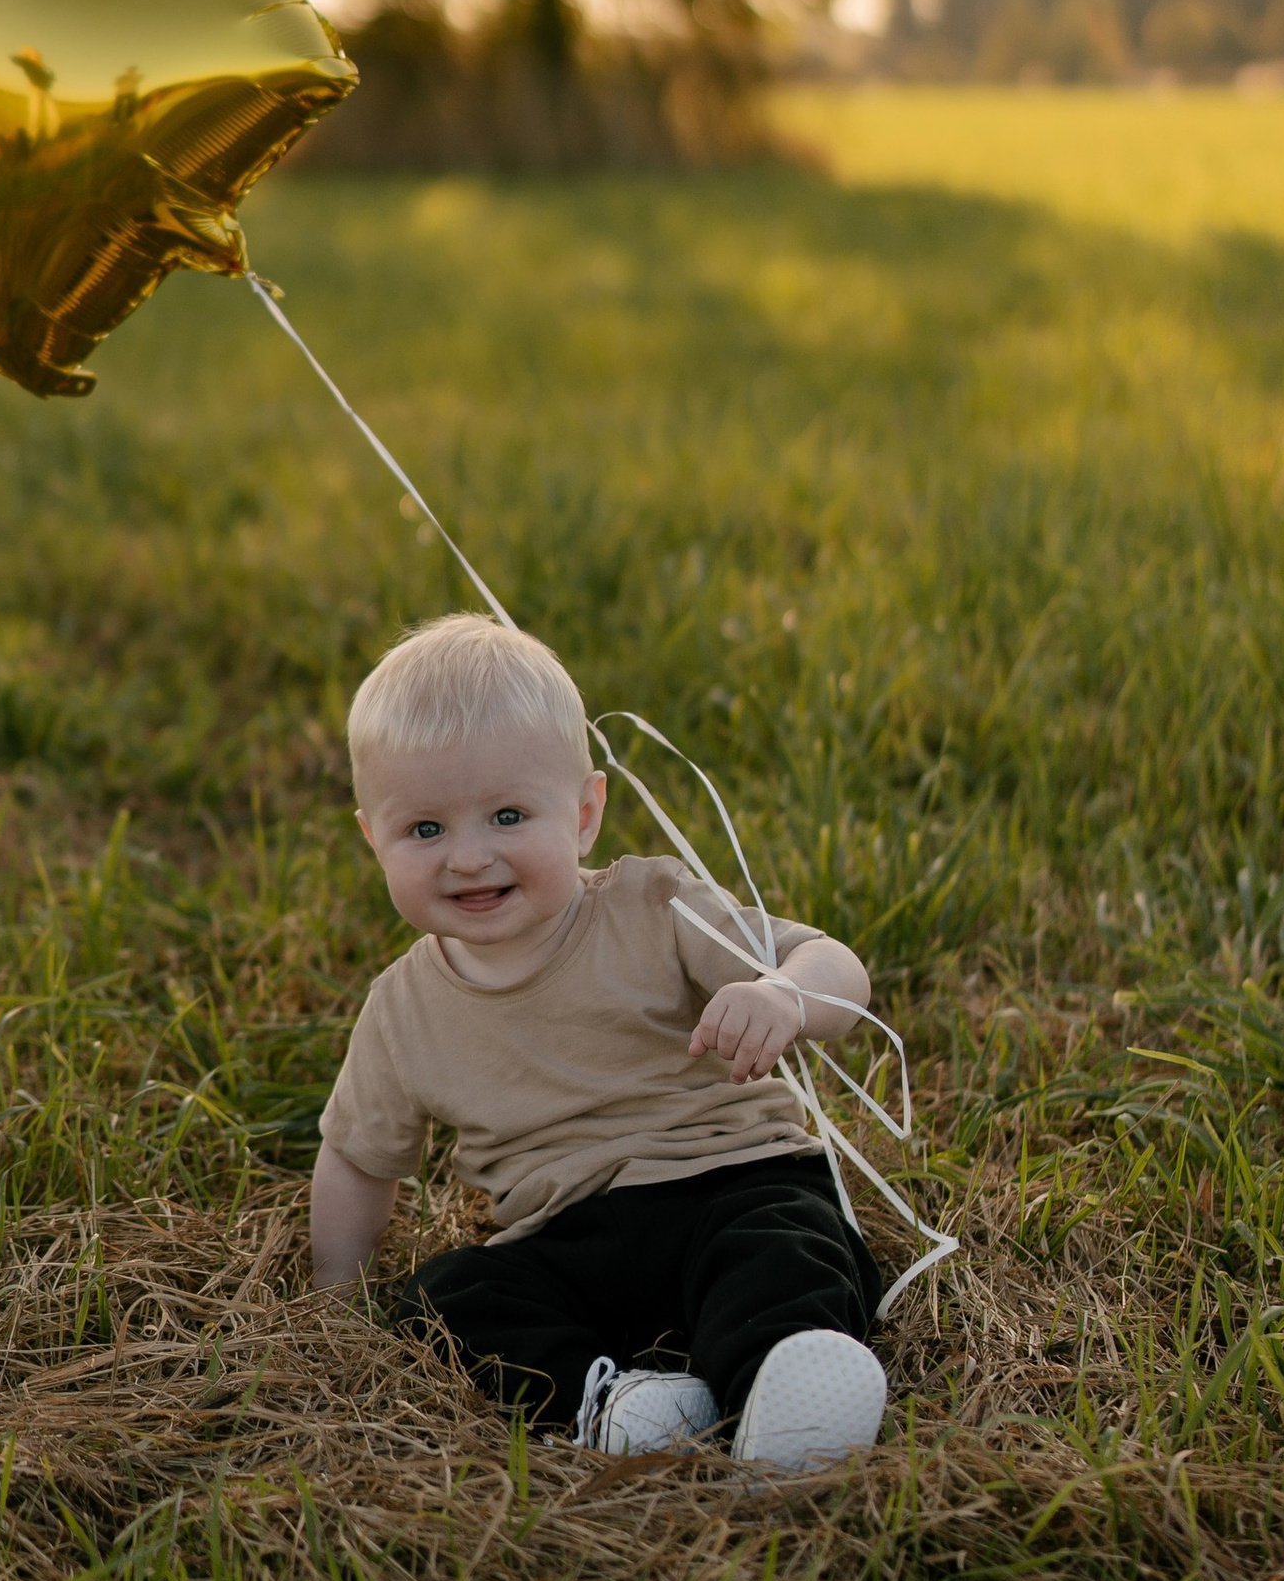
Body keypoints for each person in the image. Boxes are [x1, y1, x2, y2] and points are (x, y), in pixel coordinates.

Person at [312, 613, 891, 1473]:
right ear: (374, 838)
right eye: (425, 831)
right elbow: (358, 1161)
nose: (468, 857)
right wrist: (334, 1298)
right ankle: (615, 1402)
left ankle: (786, 1391)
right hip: (565, 1238)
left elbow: (835, 966)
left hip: (729, 1181)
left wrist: (784, 994)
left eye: (508, 815)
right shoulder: (402, 1009)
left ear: (584, 814)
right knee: (447, 1299)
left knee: (782, 1254)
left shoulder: (654, 908)